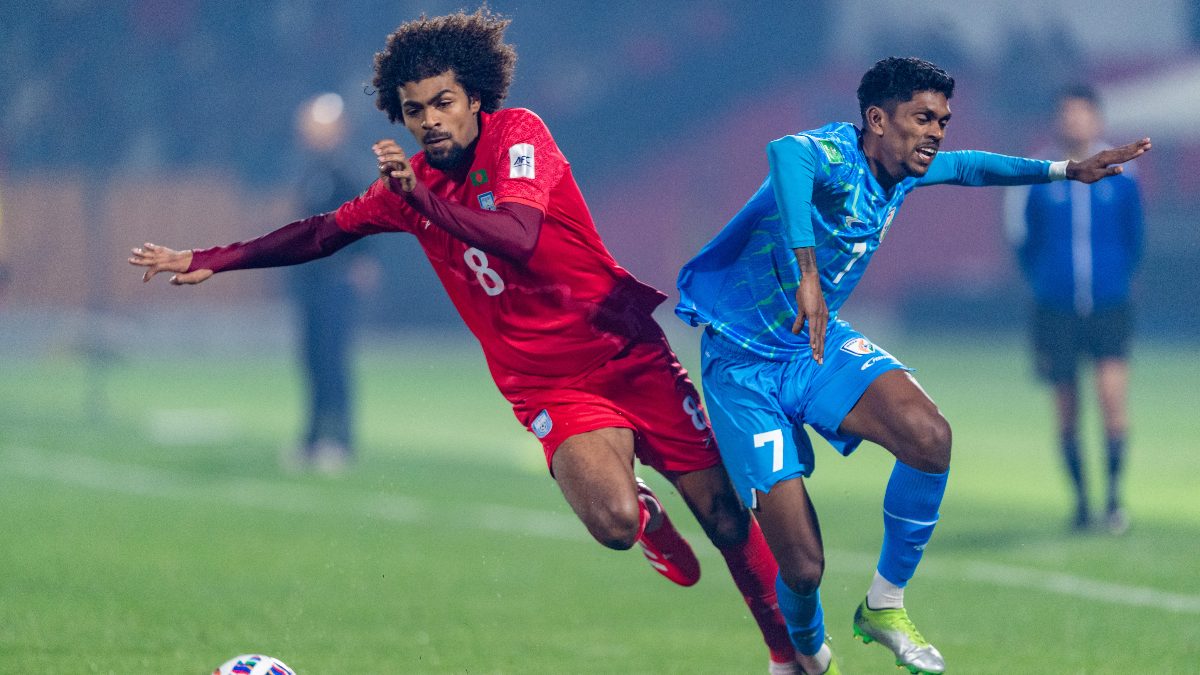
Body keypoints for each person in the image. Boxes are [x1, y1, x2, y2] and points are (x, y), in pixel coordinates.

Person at [129, 10, 805, 673]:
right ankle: (648, 515)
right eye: (414, 108)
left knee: (722, 517)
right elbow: (320, 232)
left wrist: (419, 202)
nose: (429, 119)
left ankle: (790, 655)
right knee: (615, 523)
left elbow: (517, 235)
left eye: (443, 102)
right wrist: (211, 256)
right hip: (547, 384)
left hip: (625, 351)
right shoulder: (408, 187)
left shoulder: (518, 135)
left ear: (475, 97)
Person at [675, 56, 1149, 674]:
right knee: (801, 566)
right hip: (743, 367)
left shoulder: (902, 172)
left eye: (943, 121)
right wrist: (809, 272)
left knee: (930, 437)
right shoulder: (835, 154)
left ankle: (884, 604)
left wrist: (1065, 169)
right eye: (923, 118)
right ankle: (805, 655)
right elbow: (784, 154)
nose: (936, 133)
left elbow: (975, 166)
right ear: (877, 119)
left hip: (813, 348)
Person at [1006, 85, 1144, 534]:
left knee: (1112, 400)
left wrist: (1116, 280)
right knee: (1066, 409)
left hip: (1108, 306)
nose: (1074, 122)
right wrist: (1047, 286)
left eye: (1083, 114)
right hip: (1056, 311)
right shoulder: (1043, 174)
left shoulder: (1121, 174)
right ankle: (1082, 504)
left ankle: (1114, 500)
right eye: (1067, 114)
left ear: (1097, 119)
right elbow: (1026, 244)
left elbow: (1134, 239)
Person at [286, 92, 379, 473]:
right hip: (309, 279)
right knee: (310, 362)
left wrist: (364, 262)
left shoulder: (348, 172)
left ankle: (340, 440)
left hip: (336, 279)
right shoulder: (307, 171)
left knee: (333, 361)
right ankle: (311, 437)